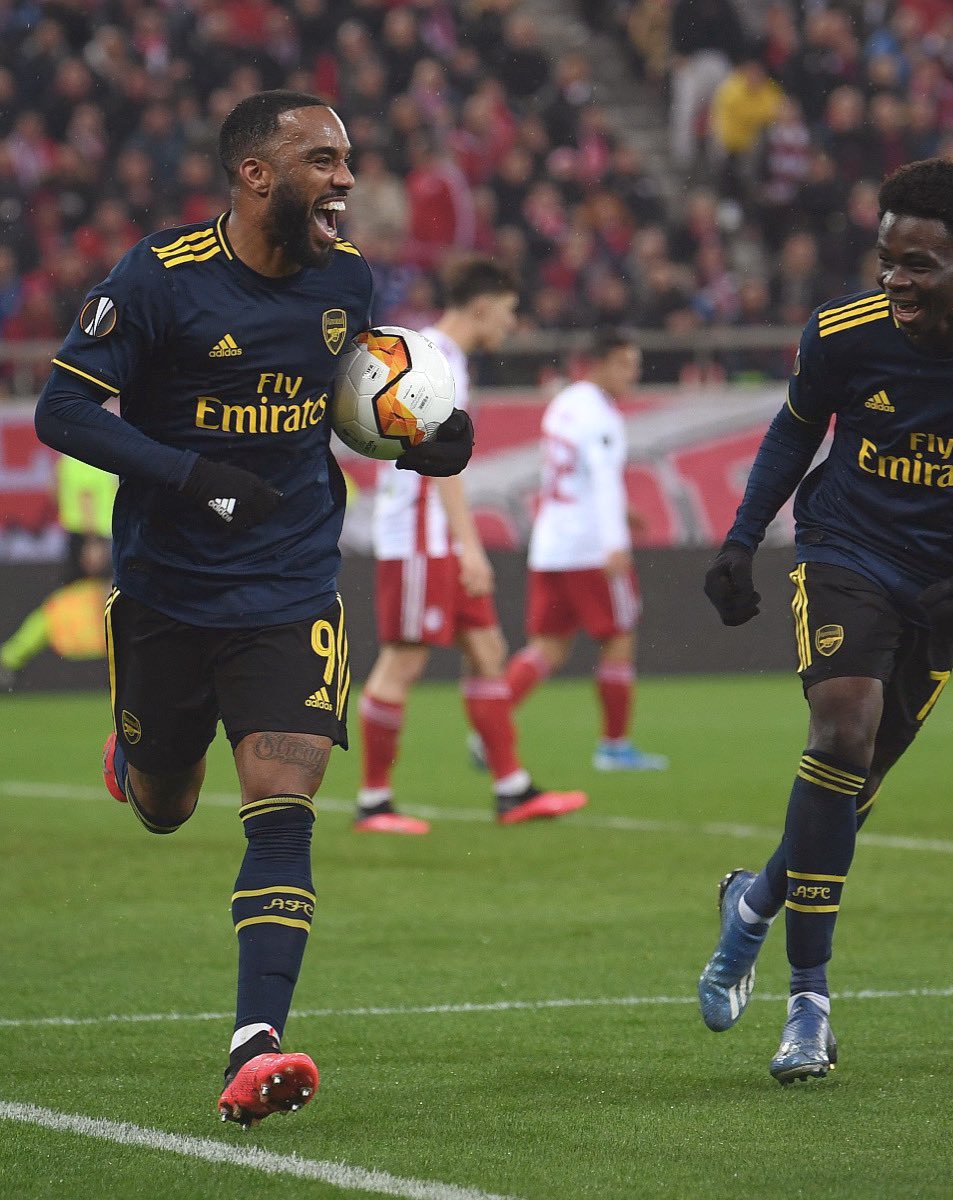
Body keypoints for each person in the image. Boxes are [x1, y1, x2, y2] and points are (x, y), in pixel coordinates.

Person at [33, 90, 474, 1127]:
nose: (346, 179)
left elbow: (347, 398)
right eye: (321, 160)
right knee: (168, 803)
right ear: (254, 175)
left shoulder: (350, 281)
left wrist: (420, 441)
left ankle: (255, 1044)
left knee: (282, 813)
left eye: (348, 159)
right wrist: (192, 478)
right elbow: (61, 408)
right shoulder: (159, 279)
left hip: (289, 587)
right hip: (168, 591)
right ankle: (136, 759)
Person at [696, 158, 953, 1083]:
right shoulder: (842, 334)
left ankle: (752, 905)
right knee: (842, 728)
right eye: (887, 259)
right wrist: (741, 540)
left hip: (950, 580)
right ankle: (809, 1003)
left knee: (851, 787)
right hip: (847, 549)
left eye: (919, 265)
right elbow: (796, 430)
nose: (896, 281)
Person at [357, 256, 587, 830]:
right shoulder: (436, 360)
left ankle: (512, 790)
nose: (511, 325)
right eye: (509, 312)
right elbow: (439, 465)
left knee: (487, 650)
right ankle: (373, 801)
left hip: (433, 531)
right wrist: (470, 547)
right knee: (404, 659)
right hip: (418, 532)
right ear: (482, 306)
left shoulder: (434, 353)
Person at [505, 327, 668, 771]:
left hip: (552, 543)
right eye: (625, 365)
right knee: (618, 636)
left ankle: (491, 727)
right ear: (600, 363)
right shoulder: (602, 415)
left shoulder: (564, 404)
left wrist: (625, 510)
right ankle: (614, 748)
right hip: (591, 546)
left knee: (548, 647)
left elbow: (571, 474)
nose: (632, 375)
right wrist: (616, 541)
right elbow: (599, 477)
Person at [0, 456, 116, 691]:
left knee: (64, 604)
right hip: (93, 538)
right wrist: (92, 540)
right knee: (112, 600)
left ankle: (12, 655)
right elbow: (86, 497)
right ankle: (121, 666)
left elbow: (54, 489)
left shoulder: (68, 458)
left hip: (79, 536)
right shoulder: (90, 455)